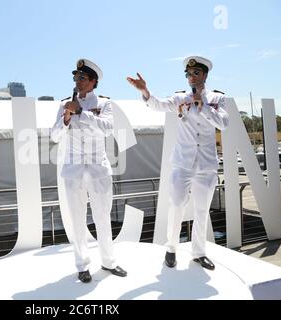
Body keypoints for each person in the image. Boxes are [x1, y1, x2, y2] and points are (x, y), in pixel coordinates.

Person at [127, 56, 229, 270]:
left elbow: (224, 123)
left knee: (202, 210)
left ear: (205, 75)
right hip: (183, 164)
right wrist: (145, 91)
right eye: (188, 74)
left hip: (207, 165)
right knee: (177, 206)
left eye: (196, 73)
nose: (191, 77)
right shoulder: (179, 98)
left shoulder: (217, 99)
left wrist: (204, 106)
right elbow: (157, 105)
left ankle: (199, 252)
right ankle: (171, 248)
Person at [51, 58, 127, 283]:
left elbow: (107, 128)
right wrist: (66, 118)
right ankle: (82, 265)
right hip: (73, 170)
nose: (78, 80)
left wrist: (81, 114)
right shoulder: (65, 103)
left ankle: (109, 262)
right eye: (76, 77)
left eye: (82, 77)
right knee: (76, 219)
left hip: (97, 170)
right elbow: (54, 137)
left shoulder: (104, 104)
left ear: (93, 81)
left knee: (103, 217)